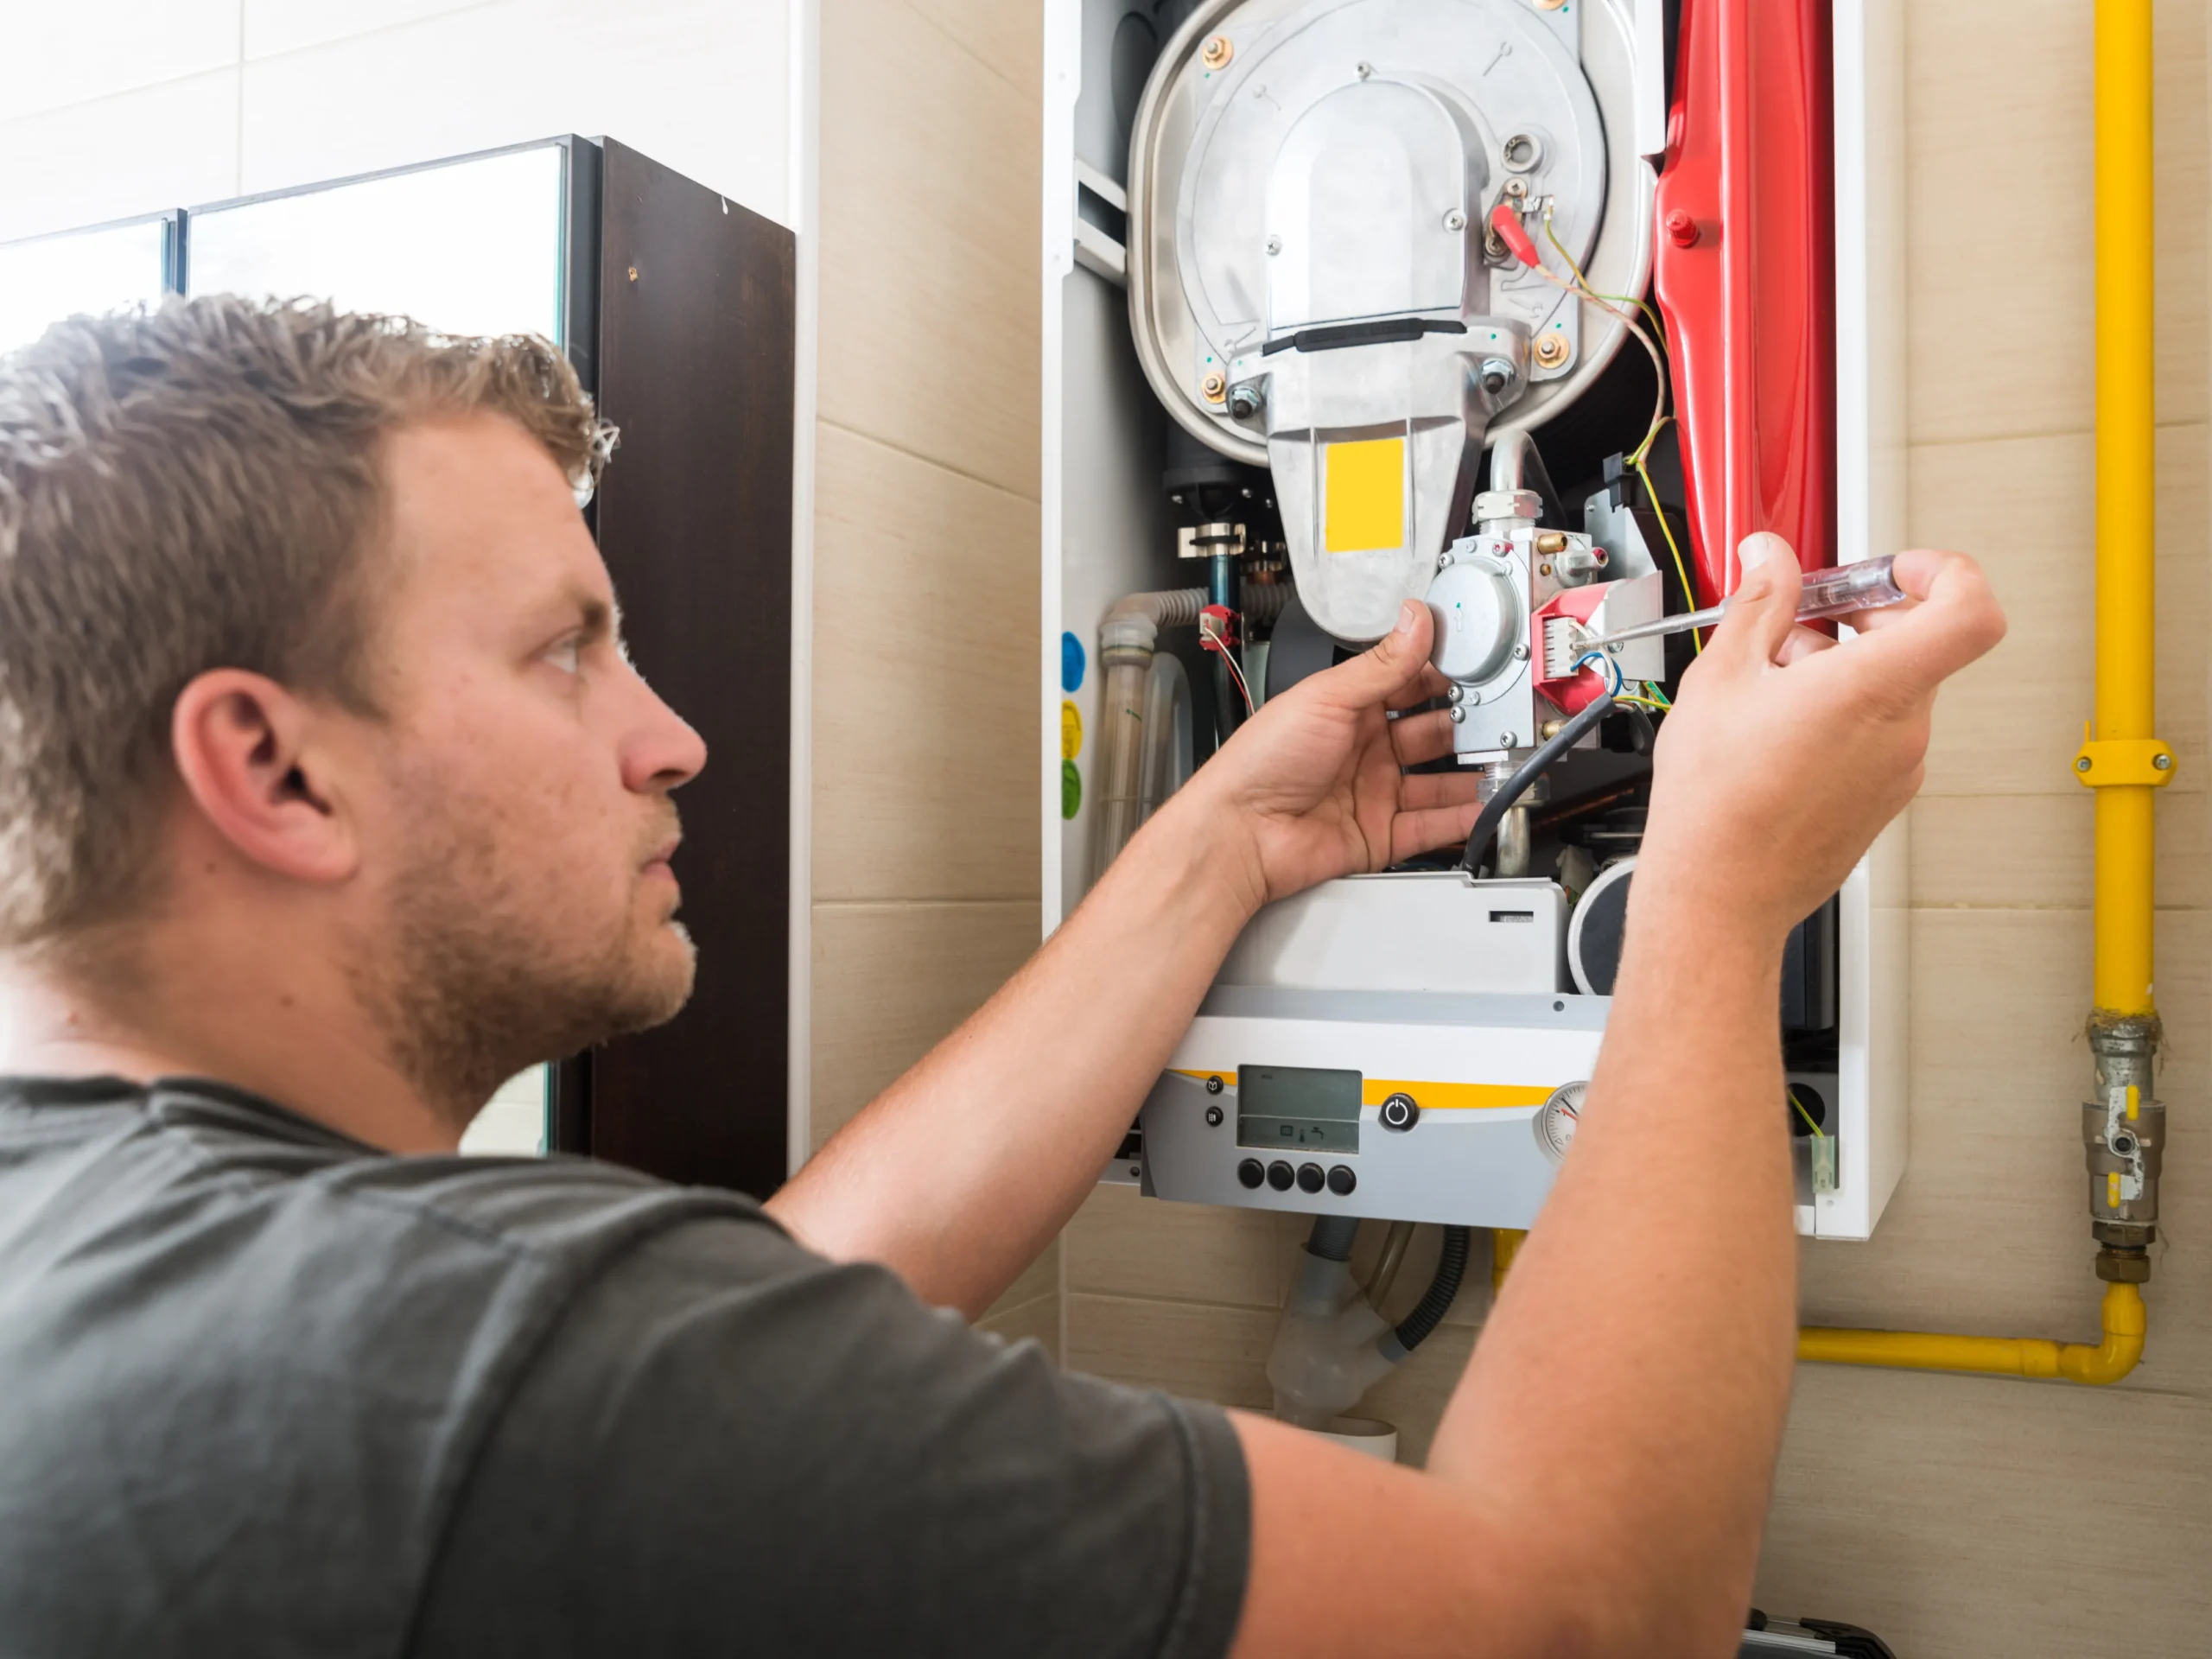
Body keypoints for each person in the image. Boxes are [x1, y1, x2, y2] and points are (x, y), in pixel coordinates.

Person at [0, 296, 2003, 1657]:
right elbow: (1585, 1617)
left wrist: (1220, 843)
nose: (672, 733)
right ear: (267, 766)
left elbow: (781, 1303)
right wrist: (1720, 894)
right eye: (567, 648)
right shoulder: (465, 1366)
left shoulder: (126, 1255)